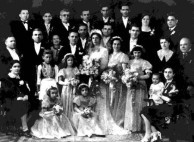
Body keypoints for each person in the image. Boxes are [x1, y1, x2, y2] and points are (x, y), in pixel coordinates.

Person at [88, 29, 128, 135]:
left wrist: (97, 72)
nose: (95, 40)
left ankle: (102, 124)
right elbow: (87, 63)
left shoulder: (104, 50)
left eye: (97, 38)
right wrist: (89, 72)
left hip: (101, 78)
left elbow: (104, 65)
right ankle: (92, 124)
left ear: (100, 39)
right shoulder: (90, 50)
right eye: (93, 38)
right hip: (92, 78)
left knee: (101, 100)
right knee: (92, 100)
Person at [140, 66, 180, 142]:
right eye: (165, 72)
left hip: (171, 107)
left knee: (145, 111)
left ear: (173, 74)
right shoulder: (165, 83)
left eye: (170, 72)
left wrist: (160, 95)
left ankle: (150, 133)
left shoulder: (173, 84)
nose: (167, 74)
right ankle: (153, 133)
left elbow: (169, 99)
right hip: (164, 105)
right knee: (145, 112)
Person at [124, 46, 152, 132]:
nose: (137, 54)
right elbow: (126, 73)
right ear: (132, 53)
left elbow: (148, 75)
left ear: (141, 53)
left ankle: (140, 126)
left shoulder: (144, 62)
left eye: (139, 52)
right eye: (135, 52)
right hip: (131, 84)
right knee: (131, 103)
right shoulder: (129, 62)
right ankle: (131, 126)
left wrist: (138, 76)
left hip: (140, 84)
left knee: (140, 102)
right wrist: (129, 78)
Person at [0, 60, 31, 137]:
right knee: (21, 104)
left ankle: (21, 127)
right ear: (10, 68)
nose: (17, 68)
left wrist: (26, 95)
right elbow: (6, 93)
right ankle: (24, 128)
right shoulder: (5, 79)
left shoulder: (20, 78)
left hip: (20, 99)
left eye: (18, 66)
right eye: (15, 66)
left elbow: (26, 90)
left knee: (28, 102)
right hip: (7, 101)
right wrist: (18, 97)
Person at [107, 36, 129, 126]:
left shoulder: (123, 56)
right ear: (112, 45)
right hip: (109, 81)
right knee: (110, 100)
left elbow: (124, 71)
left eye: (118, 44)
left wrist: (118, 77)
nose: (116, 46)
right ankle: (110, 119)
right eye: (114, 44)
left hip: (118, 81)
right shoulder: (109, 55)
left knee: (118, 99)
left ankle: (118, 120)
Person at [58, 53, 80, 119]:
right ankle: (65, 118)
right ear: (66, 61)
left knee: (72, 102)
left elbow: (78, 79)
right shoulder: (63, 70)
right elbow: (59, 81)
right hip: (66, 88)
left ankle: (72, 118)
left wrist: (75, 82)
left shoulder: (75, 69)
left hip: (73, 88)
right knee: (65, 102)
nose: (70, 61)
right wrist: (66, 83)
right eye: (68, 60)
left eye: (71, 60)